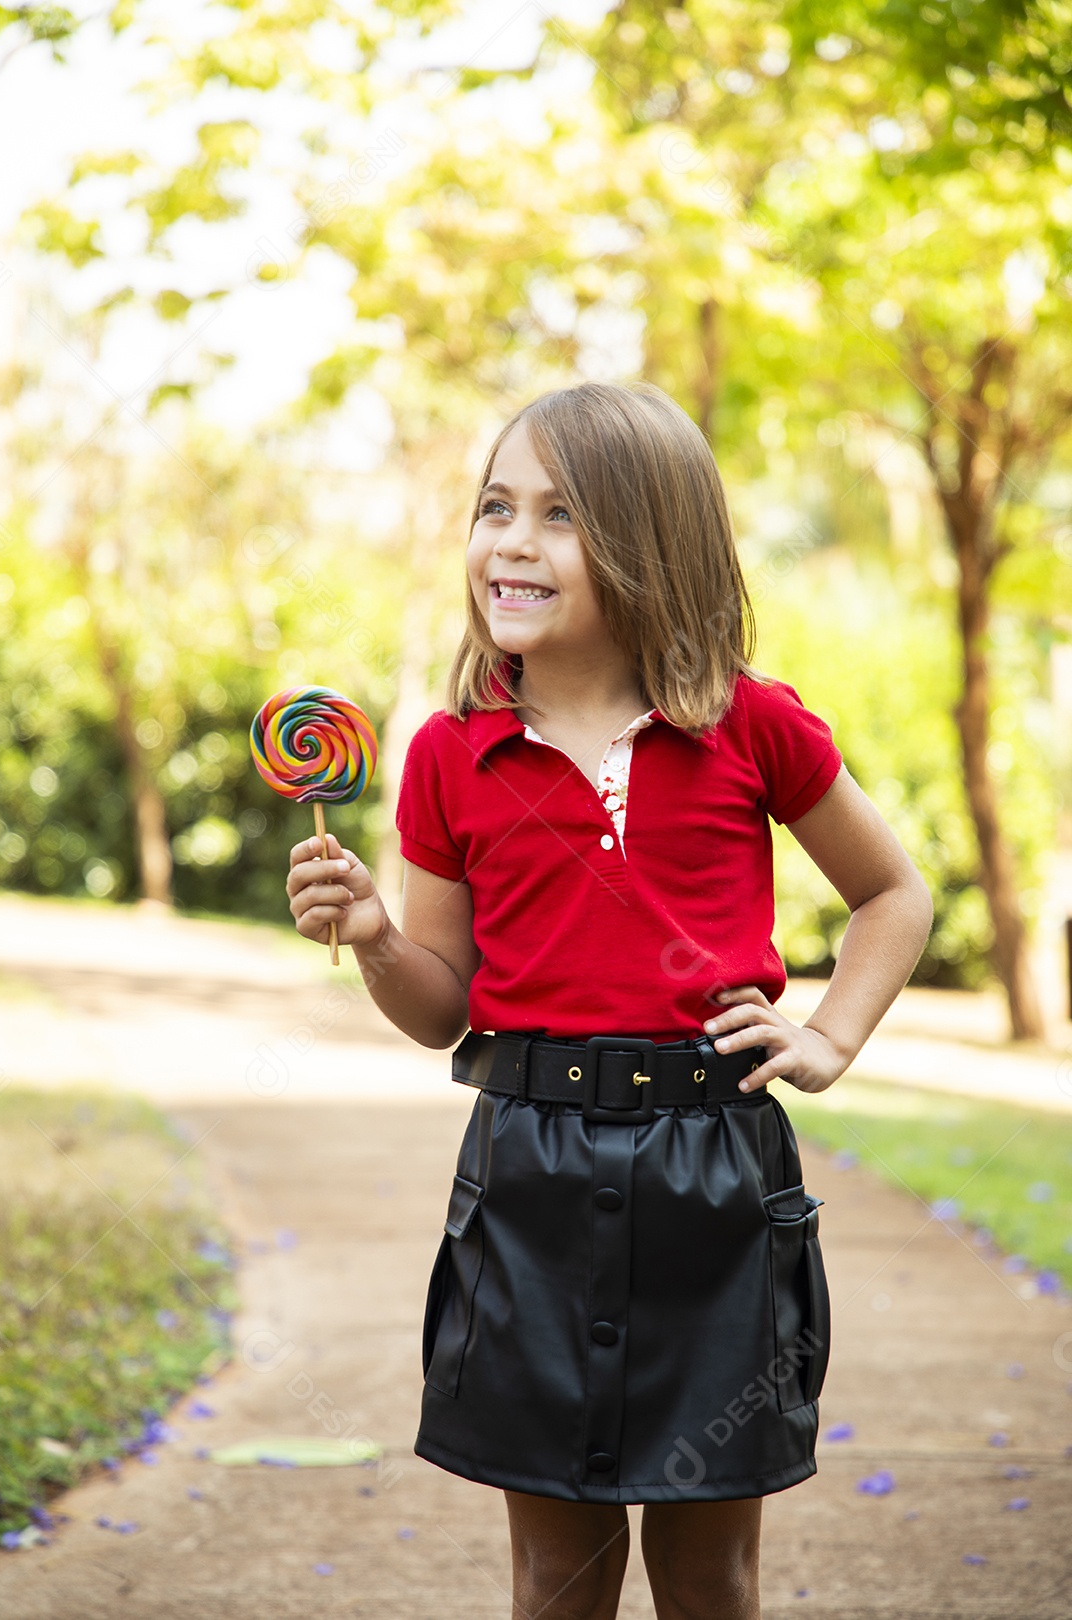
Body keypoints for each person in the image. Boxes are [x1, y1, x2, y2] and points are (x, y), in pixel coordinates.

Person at [286, 382, 933, 1620]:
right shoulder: (449, 752)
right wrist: (372, 935)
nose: (510, 543)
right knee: (557, 1573)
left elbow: (892, 892)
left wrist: (829, 1036)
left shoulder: (752, 724)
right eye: (494, 508)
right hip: (527, 1177)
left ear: (652, 544)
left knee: (710, 1573)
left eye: (560, 515)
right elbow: (442, 1007)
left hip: (717, 1177)